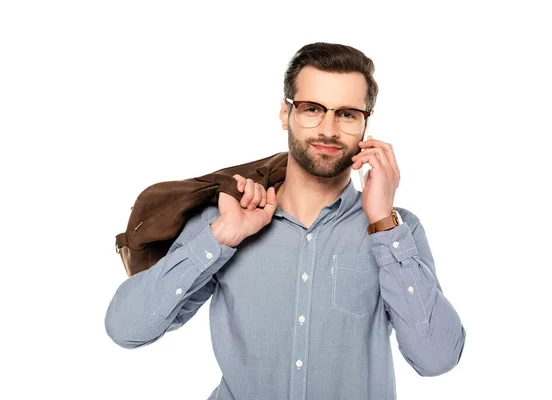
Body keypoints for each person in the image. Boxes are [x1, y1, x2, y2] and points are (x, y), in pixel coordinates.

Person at [105, 42, 466, 400]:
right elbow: (125, 329)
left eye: (347, 114)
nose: (328, 129)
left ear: (365, 124)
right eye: (312, 109)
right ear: (285, 113)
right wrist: (220, 237)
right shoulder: (226, 220)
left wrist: (383, 224)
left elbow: (436, 358)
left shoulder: (395, 231)